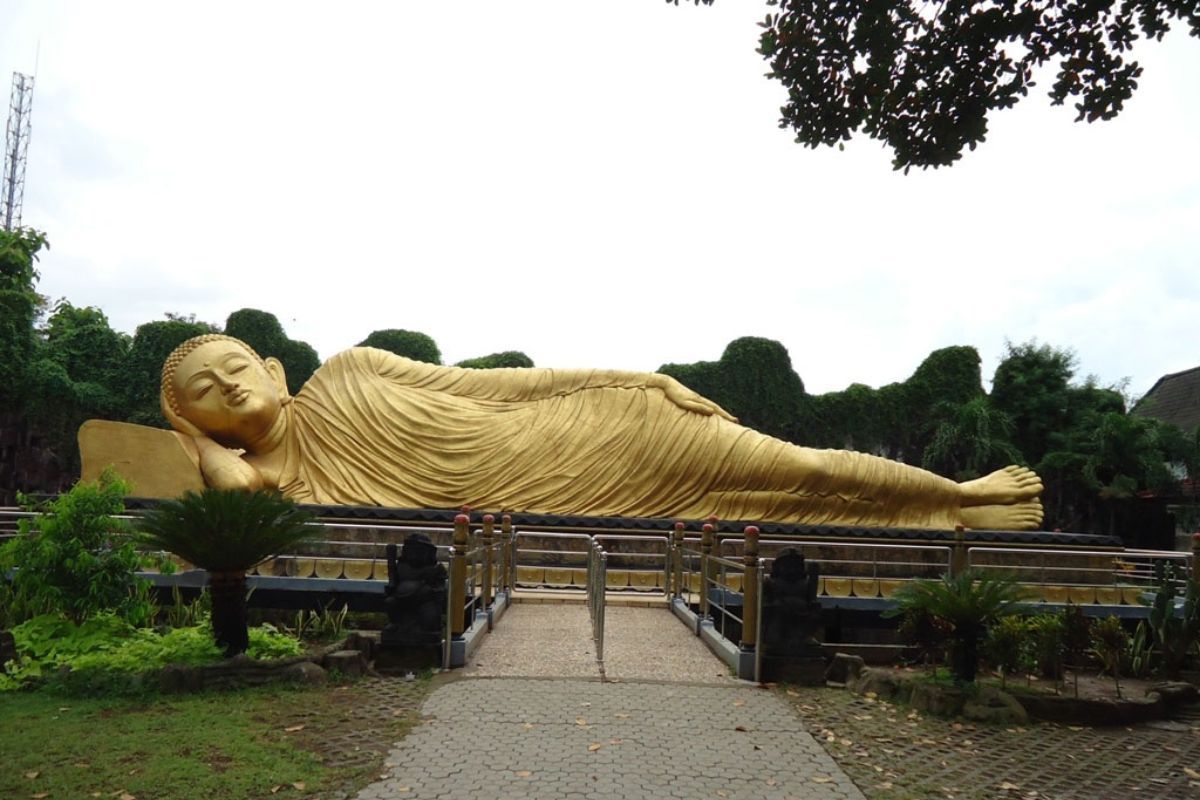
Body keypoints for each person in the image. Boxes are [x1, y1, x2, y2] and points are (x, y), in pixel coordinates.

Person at [158, 334, 1044, 530]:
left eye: (235, 367)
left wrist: (629, 377)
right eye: (205, 395)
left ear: (273, 368)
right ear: (194, 422)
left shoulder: (353, 371)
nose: (228, 389)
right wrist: (200, 452)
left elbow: (500, 387)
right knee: (765, 504)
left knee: (797, 465)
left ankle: (957, 499)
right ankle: (942, 511)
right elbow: (233, 500)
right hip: (557, 499)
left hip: (602, 429)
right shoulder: (282, 486)